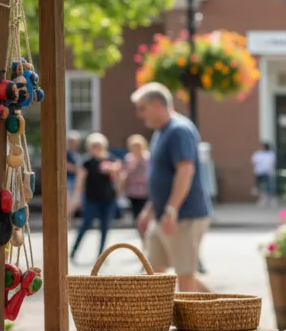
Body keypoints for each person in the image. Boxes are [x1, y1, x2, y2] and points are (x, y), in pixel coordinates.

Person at [131, 82, 213, 293]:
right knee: (156, 274)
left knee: (185, 277)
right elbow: (162, 177)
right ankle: (220, 307)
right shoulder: (161, 132)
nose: (140, 115)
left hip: (184, 216)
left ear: (157, 104)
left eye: (142, 108)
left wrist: (171, 210)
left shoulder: (179, 130)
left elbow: (185, 171)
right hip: (164, 215)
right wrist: (150, 210)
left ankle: (221, 314)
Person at [69, 132, 122, 263]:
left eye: (98, 146)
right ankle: (74, 251)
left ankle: (101, 255)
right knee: (85, 225)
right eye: (94, 146)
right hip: (91, 199)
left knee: (105, 228)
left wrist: (112, 171)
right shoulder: (86, 162)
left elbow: (119, 177)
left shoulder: (111, 159)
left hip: (108, 199)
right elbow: (80, 181)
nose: (96, 149)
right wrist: (77, 197)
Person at [122, 134, 151, 240]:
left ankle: (147, 240)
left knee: (146, 218)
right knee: (137, 219)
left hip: (145, 192)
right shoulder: (129, 158)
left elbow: (149, 175)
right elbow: (126, 174)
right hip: (133, 193)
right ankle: (143, 240)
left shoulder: (147, 158)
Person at [251, 141, 277, 207]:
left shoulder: (270, 154)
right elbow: (253, 162)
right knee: (260, 186)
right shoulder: (257, 154)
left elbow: (272, 163)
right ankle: (262, 199)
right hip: (259, 172)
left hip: (267, 173)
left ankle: (270, 199)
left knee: (269, 186)